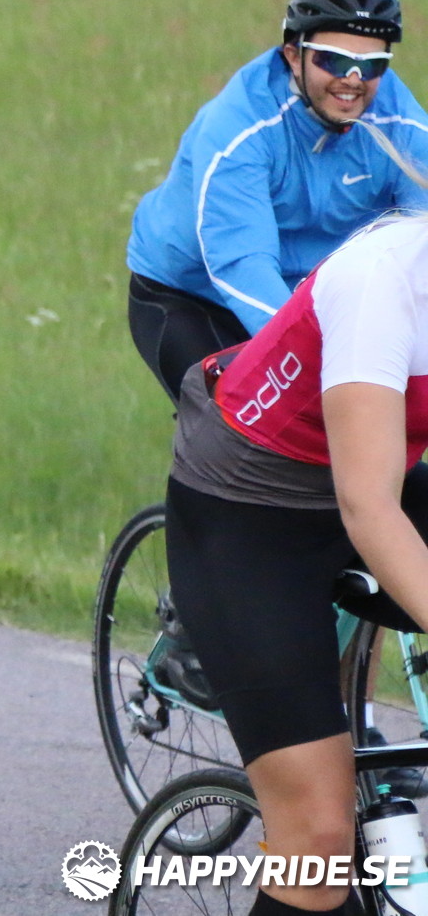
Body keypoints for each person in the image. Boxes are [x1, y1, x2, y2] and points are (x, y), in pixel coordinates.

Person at [162, 189, 428, 916]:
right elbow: (368, 507)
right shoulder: (383, 279)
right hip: (250, 518)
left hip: (374, 477)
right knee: (317, 841)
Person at [127, 0, 428, 403]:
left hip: (316, 296)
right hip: (197, 297)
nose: (353, 79)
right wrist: (331, 360)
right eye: (333, 61)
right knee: (232, 432)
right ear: (293, 55)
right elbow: (241, 264)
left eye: (372, 65)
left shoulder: (400, 122)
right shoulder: (240, 128)